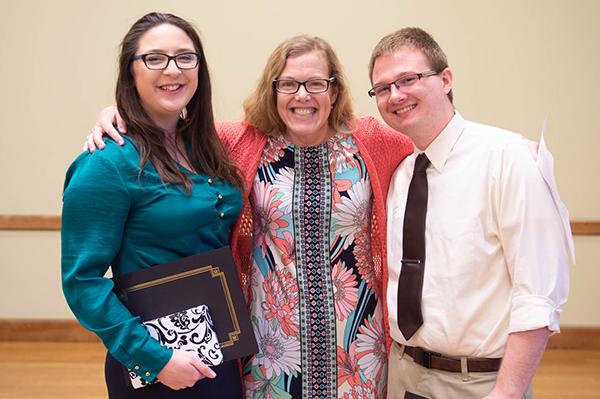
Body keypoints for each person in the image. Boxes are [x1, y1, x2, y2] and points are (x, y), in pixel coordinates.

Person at [86, 35, 414, 398]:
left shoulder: (372, 140)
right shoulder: (238, 141)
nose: (302, 95)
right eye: (288, 84)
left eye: (316, 84)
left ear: (334, 92)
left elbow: (422, 134)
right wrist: (117, 113)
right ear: (273, 90)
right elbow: (165, 128)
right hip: (270, 343)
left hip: (359, 341)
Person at [368, 27, 570, 399]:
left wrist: (507, 392)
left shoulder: (508, 159)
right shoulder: (399, 175)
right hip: (402, 373)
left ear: (445, 80)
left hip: (478, 383)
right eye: (382, 88)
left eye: (408, 79)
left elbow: (539, 292)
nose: (395, 95)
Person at [61, 12, 245, 398]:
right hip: (158, 362)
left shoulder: (208, 147)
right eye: (155, 58)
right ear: (131, 73)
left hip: (220, 345)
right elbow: (83, 283)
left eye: (185, 57)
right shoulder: (106, 163)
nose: (172, 69)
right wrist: (155, 359)